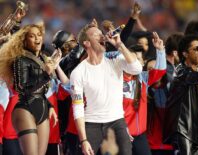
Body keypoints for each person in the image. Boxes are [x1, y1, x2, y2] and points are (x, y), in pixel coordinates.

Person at [70, 23, 142, 155]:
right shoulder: (78, 72)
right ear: (86, 43)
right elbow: (78, 108)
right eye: (96, 34)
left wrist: (119, 45)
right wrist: (84, 140)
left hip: (117, 121)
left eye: (101, 33)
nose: (102, 36)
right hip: (92, 123)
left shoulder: (115, 60)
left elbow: (137, 69)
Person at [0, 23, 66, 155]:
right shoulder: (20, 60)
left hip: (42, 109)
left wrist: (50, 106)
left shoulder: (42, 59)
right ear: (24, 40)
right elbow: (22, 89)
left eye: (39, 35)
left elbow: (40, 91)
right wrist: (46, 74)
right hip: (25, 109)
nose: (37, 38)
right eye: (32, 36)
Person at [163, 35, 198, 155]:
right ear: (185, 54)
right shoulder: (182, 72)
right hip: (182, 131)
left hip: (193, 131)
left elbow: (196, 97)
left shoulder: (193, 74)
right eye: (196, 49)